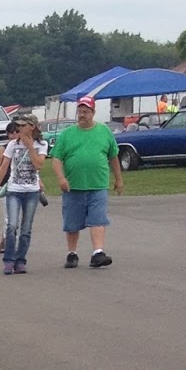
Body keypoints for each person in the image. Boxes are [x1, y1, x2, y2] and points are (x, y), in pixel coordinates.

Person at [49, 95, 123, 268]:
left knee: (98, 219)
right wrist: (61, 177)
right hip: (73, 186)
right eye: (80, 111)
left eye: (86, 112)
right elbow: (56, 159)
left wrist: (119, 179)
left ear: (93, 112)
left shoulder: (104, 131)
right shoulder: (67, 134)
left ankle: (98, 252)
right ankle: (72, 253)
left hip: (98, 184)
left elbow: (113, 156)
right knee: (72, 222)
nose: (82, 115)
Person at [0, 114, 48, 273]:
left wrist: (30, 147)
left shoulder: (42, 144)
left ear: (31, 127)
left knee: (26, 228)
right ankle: (9, 259)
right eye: (17, 126)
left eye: (22, 126)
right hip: (14, 190)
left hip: (31, 191)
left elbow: (38, 165)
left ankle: (20, 260)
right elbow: (3, 167)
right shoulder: (13, 144)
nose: (18, 128)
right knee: (12, 225)